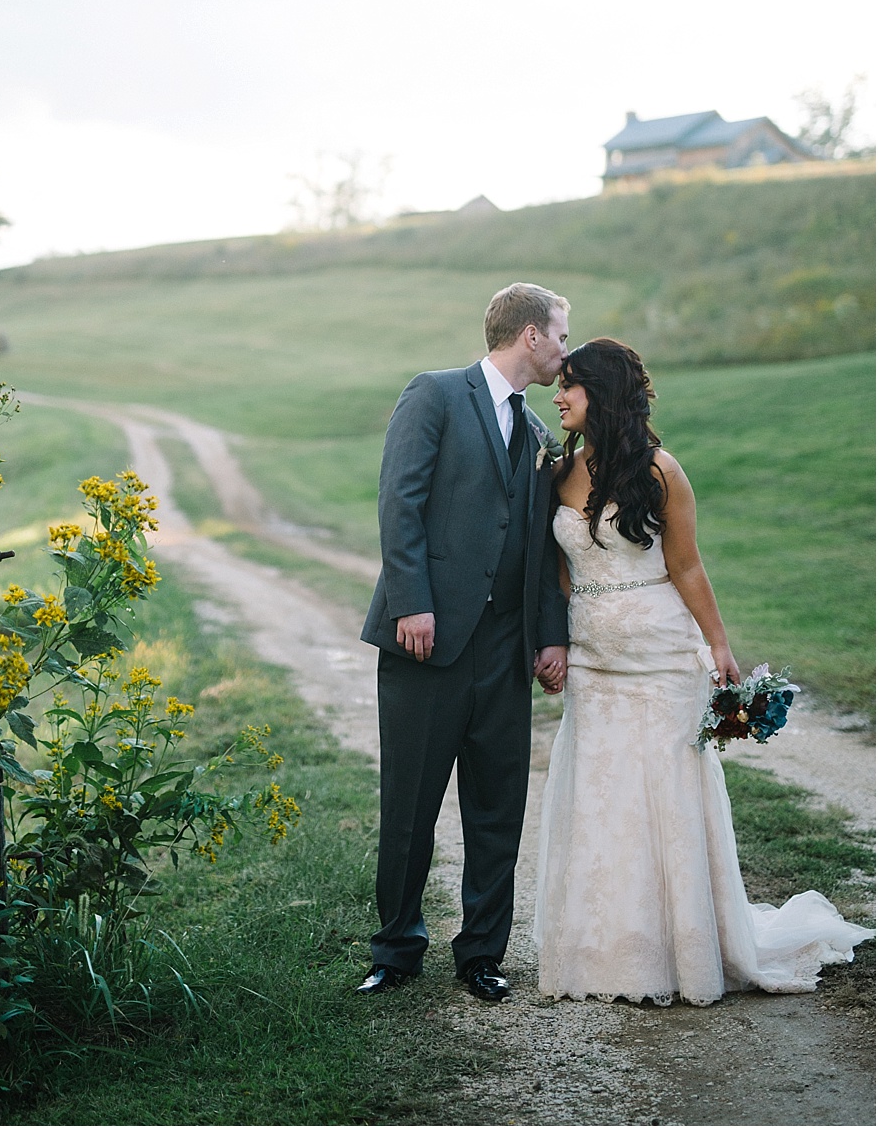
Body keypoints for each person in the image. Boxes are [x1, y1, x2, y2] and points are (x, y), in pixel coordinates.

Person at [534, 338, 874, 1005]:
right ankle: (606, 949)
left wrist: (718, 646)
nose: (559, 395)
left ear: (600, 394)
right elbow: (559, 570)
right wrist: (559, 641)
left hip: (663, 660)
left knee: (665, 795)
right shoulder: (558, 470)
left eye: (569, 385)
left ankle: (683, 951)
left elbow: (686, 566)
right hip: (595, 664)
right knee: (602, 796)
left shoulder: (662, 472)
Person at [358, 282, 571, 1001]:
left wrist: (550, 638)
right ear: (531, 336)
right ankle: (395, 950)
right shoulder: (436, 394)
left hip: (506, 654)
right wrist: (411, 605)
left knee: (496, 809)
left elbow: (541, 552)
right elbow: (400, 502)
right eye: (561, 335)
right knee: (410, 805)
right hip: (426, 644)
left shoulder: (541, 437)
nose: (565, 351)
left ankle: (482, 954)